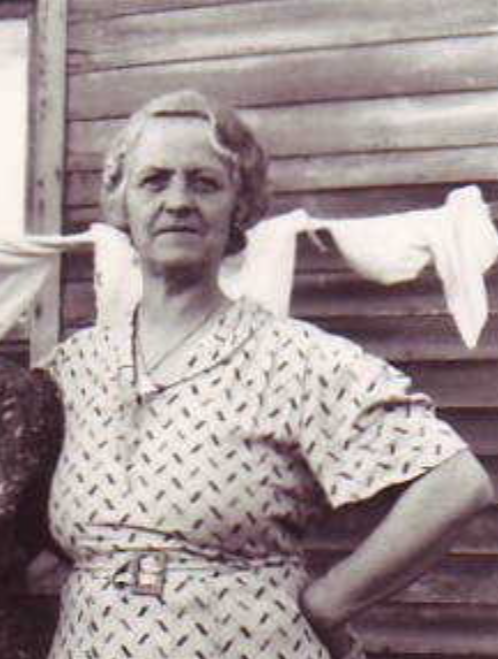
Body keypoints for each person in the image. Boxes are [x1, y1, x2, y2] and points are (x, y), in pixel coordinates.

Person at [3, 89, 494, 659]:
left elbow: (456, 484)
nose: (178, 201)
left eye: (204, 183)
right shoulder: (71, 369)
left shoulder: (294, 359)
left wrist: (328, 602)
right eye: (154, 181)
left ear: (239, 207)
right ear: (122, 206)